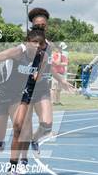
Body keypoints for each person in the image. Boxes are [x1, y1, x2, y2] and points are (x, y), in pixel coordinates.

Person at [0, 27, 49, 175]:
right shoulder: (18, 52)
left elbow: (37, 78)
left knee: (20, 127)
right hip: (0, 93)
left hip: (18, 96)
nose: (38, 46)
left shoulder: (43, 58)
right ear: (27, 42)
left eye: (41, 43)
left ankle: (12, 169)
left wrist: (36, 77)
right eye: (34, 42)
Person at [27, 8, 74, 155]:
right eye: (37, 25)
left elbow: (49, 67)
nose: (40, 27)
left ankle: (34, 140)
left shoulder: (50, 45)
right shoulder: (27, 43)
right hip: (25, 88)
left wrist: (61, 80)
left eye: (43, 24)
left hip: (42, 89)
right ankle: (20, 161)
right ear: (32, 26)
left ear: (46, 26)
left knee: (47, 125)